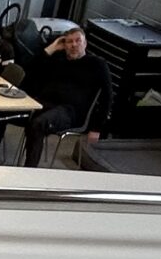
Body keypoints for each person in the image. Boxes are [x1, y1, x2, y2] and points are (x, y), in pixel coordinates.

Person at [23, 24, 111, 168]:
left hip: (70, 112)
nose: (74, 45)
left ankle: (29, 171)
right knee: (6, 113)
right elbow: (29, 69)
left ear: (85, 43)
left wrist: (96, 128)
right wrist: (52, 48)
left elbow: (107, 97)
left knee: (38, 124)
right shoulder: (58, 59)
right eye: (69, 42)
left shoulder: (97, 64)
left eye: (78, 41)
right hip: (44, 103)